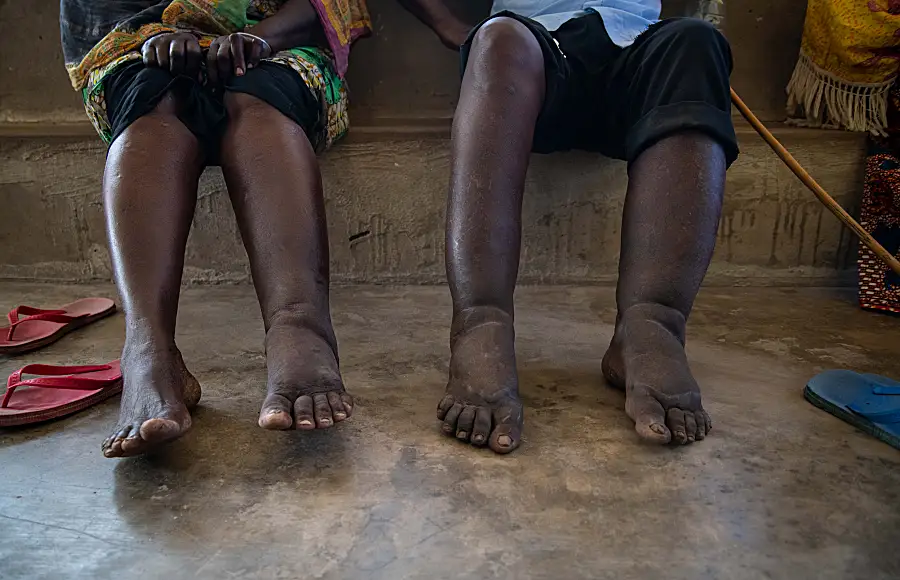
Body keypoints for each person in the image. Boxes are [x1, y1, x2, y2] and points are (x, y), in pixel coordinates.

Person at [398, 0, 738, 453]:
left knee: (698, 44)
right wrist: (450, 25)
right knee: (497, 40)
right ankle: (482, 322)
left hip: (637, 51)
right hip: (531, 58)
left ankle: (653, 324)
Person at [60, 0, 370, 457]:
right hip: (139, 53)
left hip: (279, 48)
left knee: (260, 96)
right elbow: (98, 17)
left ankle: (299, 328)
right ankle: (148, 352)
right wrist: (150, 41)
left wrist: (261, 37)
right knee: (152, 103)